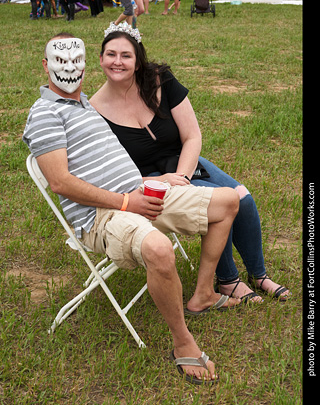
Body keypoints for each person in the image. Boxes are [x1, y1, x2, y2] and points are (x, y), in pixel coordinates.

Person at [23, 31, 241, 385]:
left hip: (141, 193)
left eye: (75, 60)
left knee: (228, 200)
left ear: (84, 64)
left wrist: (158, 181)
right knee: (158, 248)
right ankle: (183, 342)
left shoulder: (86, 107)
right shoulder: (45, 113)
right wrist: (128, 202)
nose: (69, 67)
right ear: (46, 66)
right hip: (102, 216)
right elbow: (61, 183)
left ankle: (202, 294)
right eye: (60, 61)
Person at [90, 22, 291, 304]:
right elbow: (110, 173)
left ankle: (258, 275)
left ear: (137, 61)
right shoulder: (94, 110)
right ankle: (228, 281)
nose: (117, 62)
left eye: (126, 55)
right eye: (111, 54)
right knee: (216, 204)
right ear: (100, 59)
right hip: (145, 180)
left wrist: (182, 176)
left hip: (184, 162)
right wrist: (161, 181)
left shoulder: (161, 80)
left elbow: (192, 136)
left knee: (243, 198)